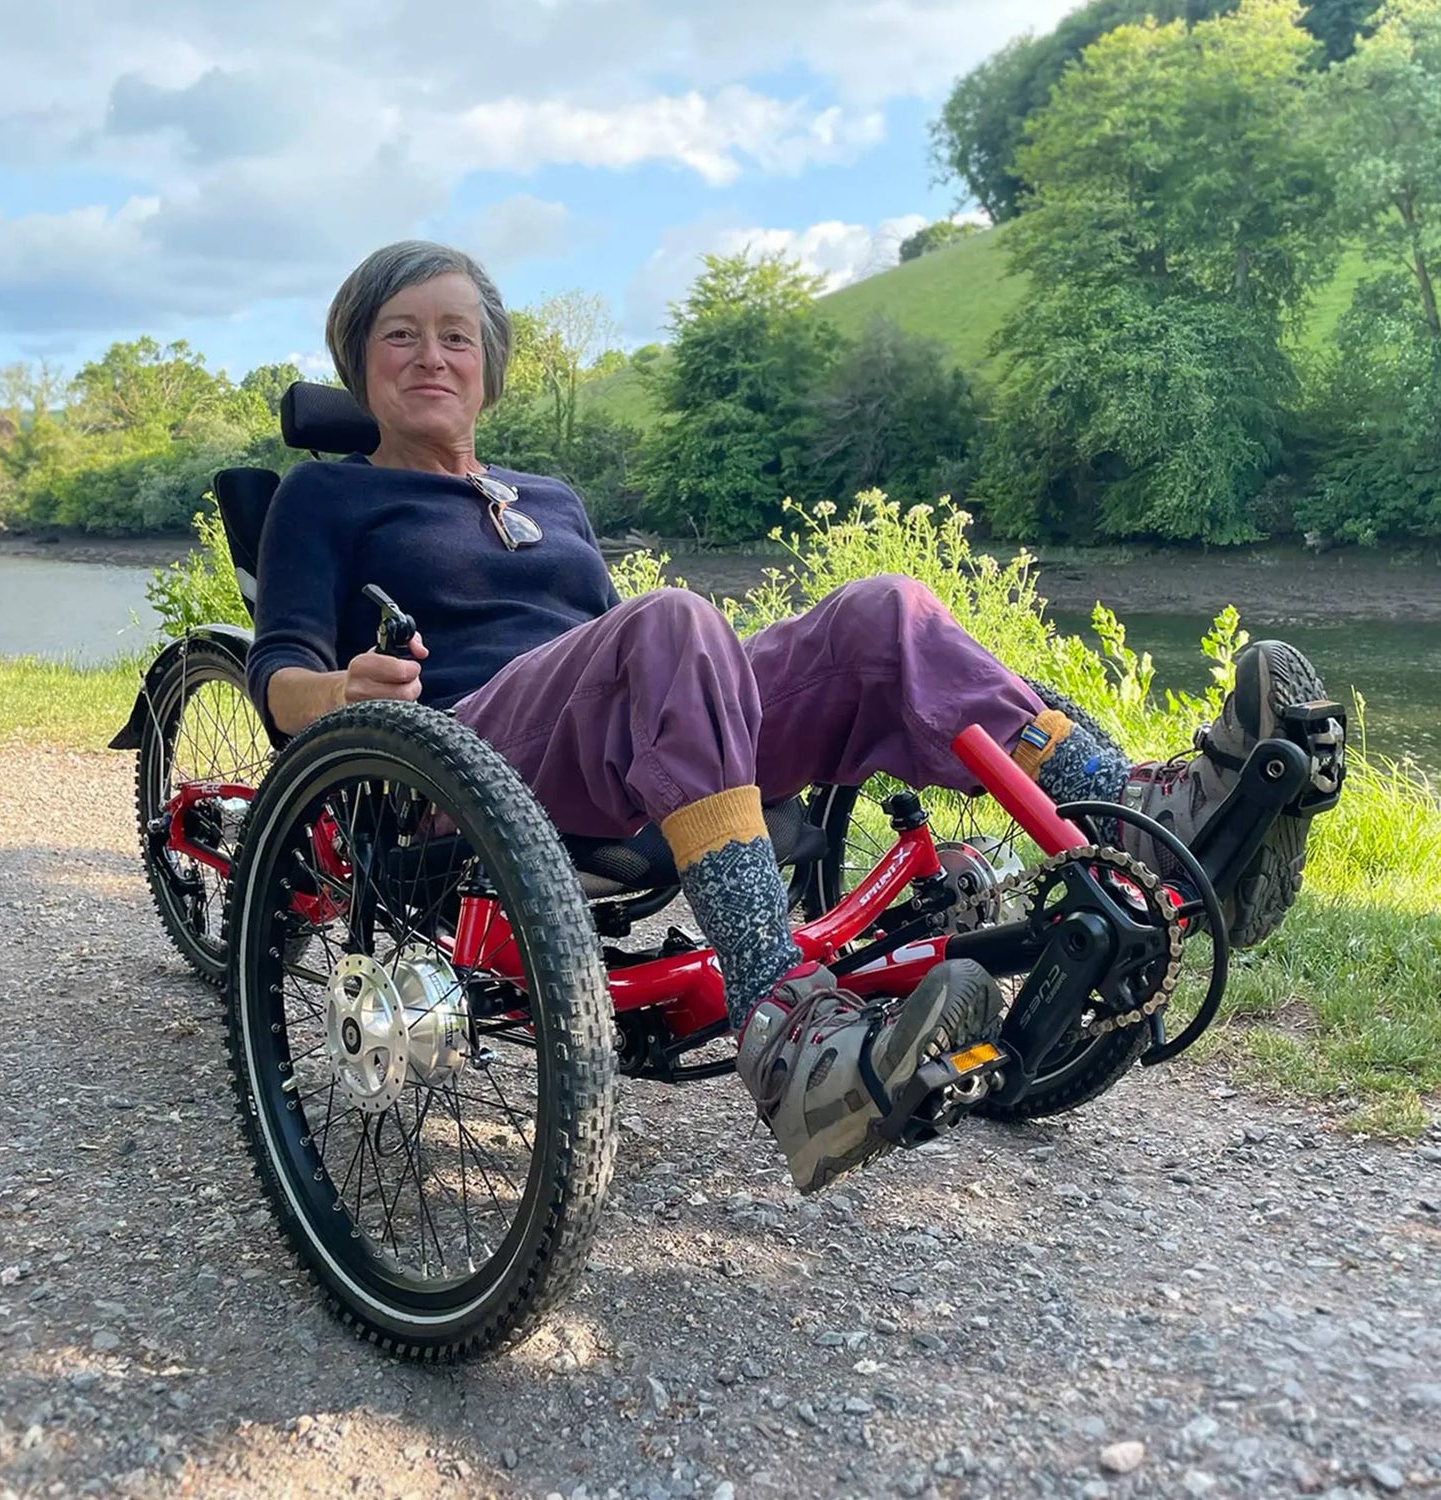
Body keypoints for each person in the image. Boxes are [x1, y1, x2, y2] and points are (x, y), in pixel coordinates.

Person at [247, 241, 1328, 1196]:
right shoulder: (328, 498)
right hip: (464, 750)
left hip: (610, 735)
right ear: (359, 363)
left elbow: (614, 645)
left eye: (455, 335)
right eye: (401, 335)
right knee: (671, 621)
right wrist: (341, 691)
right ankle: (786, 1022)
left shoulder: (551, 498)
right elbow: (279, 677)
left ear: (490, 365)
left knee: (883, 611)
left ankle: (1131, 811)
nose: (432, 355)